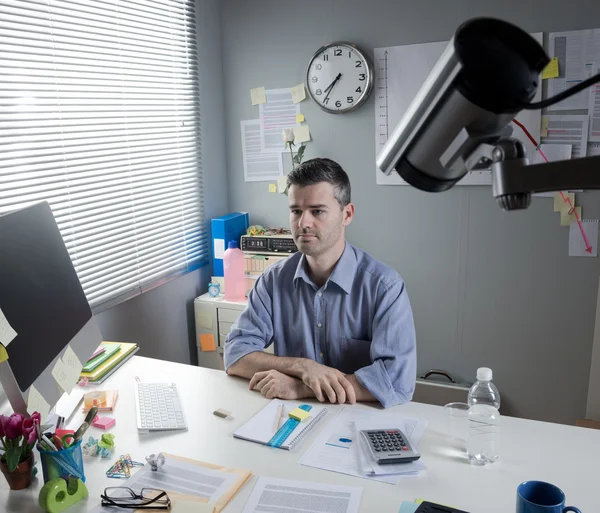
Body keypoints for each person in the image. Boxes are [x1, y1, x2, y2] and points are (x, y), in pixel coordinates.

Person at [224, 158, 416, 408]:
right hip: (292, 418)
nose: (304, 223)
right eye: (296, 211)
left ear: (346, 214)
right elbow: (235, 354)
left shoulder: (385, 287)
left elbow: (396, 380)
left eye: (317, 211)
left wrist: (302, 387)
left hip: (360, 419)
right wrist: (302, 366)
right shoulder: (273, 281)